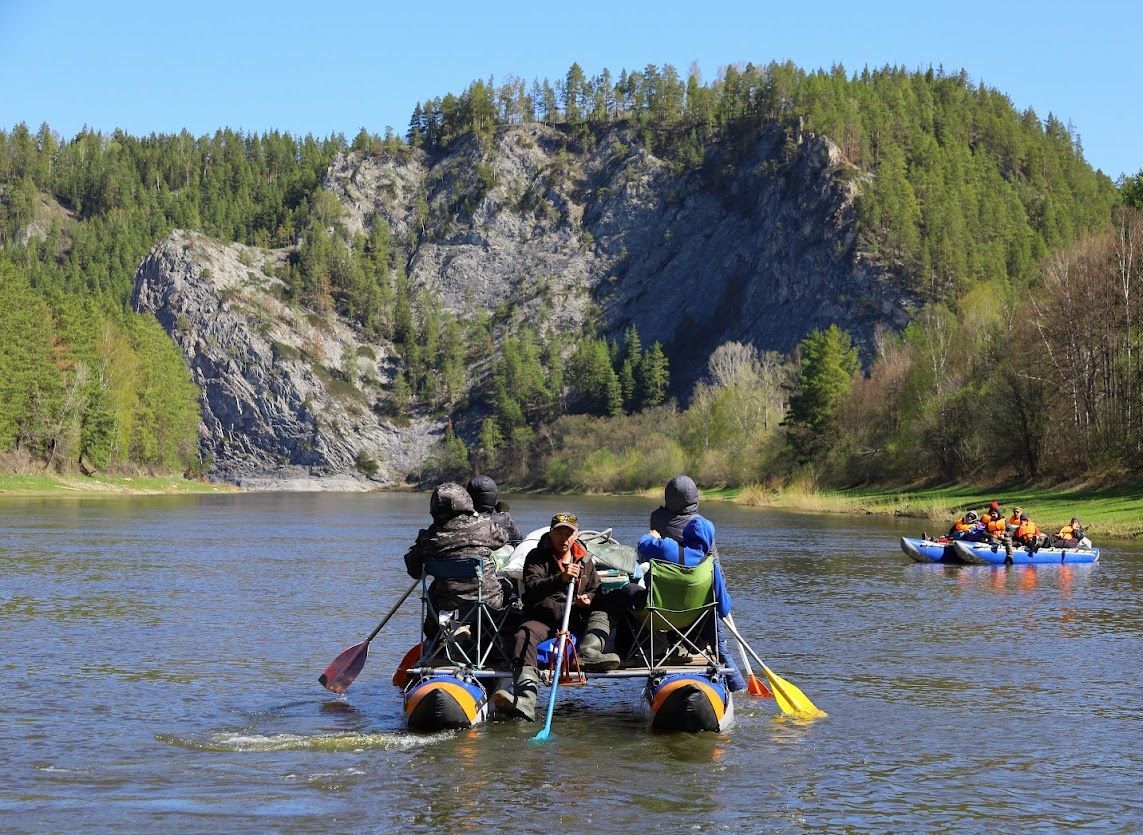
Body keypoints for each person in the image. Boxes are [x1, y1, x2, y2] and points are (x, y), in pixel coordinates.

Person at [493, 513, 620, 722]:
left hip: (576, 616)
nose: (564, 538)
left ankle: (590, 652)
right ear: (550, 533)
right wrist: (560, 579)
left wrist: (587, 598)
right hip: (545, 616)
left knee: (604, 608)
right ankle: (526, 699)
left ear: (575, 534)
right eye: (559, 532)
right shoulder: (536, 557)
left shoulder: (584, 558)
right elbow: (531, 592)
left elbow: (596, 589)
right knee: (523, 636)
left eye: (568, 533)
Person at [631, 518, 745, 692]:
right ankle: (737, 686)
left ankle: (635, 649)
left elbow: (643, 545)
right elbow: (723, 608)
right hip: (692, 625)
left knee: (627, 592)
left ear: (686, 535)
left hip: (659, 618)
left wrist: (651, 536)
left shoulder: (667, 547)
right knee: (713, 616)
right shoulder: (710, 565)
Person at [403, 482, 509, 618]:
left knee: (433, 589)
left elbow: (414, 570)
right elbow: (503, 538)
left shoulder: (429, 537)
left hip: (447, 608)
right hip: (488, 606)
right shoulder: (484, 525)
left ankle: (434, 635)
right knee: (507, 586)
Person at [650, 474, 719, 560]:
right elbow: (714, 559)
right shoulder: (704, 525)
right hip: (696, 570)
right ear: (694, 496)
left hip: (664, 569)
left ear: (668, 496)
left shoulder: (656, 518)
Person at [466, 475, 523, 542]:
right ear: (494, 497)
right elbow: (518, 537)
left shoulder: (461, 520)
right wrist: (505, 514)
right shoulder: (505, 519)